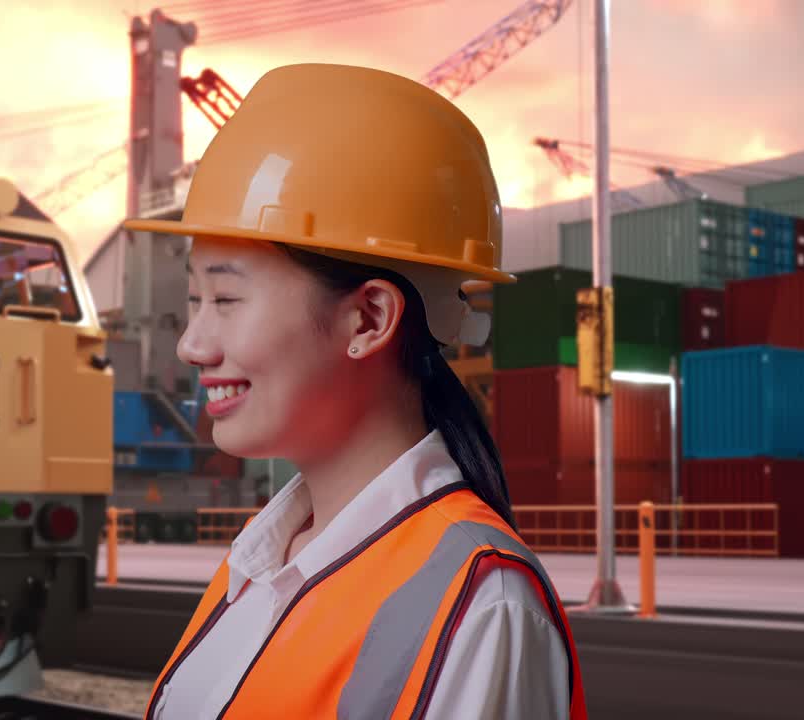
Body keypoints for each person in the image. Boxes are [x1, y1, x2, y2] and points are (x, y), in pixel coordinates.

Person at [123, 63, 588, 719]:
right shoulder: (258, 564)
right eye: (195, 300)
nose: (191, 345)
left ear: (368, 319)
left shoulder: (484, 605)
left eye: (225, 299)